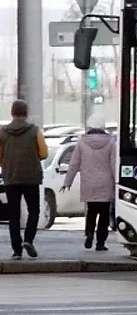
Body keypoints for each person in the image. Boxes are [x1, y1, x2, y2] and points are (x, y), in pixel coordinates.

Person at [0, 99, 48, 260]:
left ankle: (16, 251)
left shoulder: (2, 132)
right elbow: (43, 154)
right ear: (26, 113)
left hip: (11, 178)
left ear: (12, 113)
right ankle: (28, 240)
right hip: (31, 178)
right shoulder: (35, 131)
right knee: (33, 210)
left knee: (13, 215)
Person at [61, 114, 117, 251]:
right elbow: (114, 164)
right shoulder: (111, 142)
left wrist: (67, 182)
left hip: (88, 183)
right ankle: (100, 243)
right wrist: (118, 182)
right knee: (104, 214)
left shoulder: (81, 142)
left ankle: (89, 233)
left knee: (91, 211)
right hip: (105, 183)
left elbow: (74, 164)